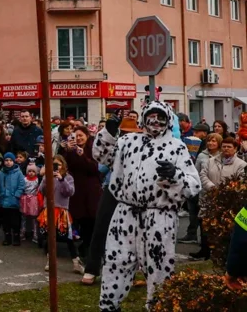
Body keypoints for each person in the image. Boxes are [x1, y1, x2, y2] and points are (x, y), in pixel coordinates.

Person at [92, 101, 201, 310]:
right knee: (116, 262)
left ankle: (159, 306)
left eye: (161, 117)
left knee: (159, 267)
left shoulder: (176, 147)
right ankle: (109, 305)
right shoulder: (127, 142)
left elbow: (193, 186)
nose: (156, 121)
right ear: (143, 119)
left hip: (159, 217)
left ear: (168, 120)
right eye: (151, 116)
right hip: (125, 214)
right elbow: (102, 157)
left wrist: (175, 176)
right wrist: (108, 133)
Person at [81, 115, 141, 286]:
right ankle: (91, 269)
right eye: (125, 133)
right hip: (113, 189)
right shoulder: (118, 145)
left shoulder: (145, 147)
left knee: (133, 235)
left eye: (133, 133)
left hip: (135, 193)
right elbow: (100, 158)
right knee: (101, 228)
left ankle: (132, 272)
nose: (129, 136)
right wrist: (108, 133)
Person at [191, 137, 247, 260]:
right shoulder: (211, 161)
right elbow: (203, 175)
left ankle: (222, 253)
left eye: (229, 147)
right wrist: (211, 187)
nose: (226, 149)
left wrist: (224, 192)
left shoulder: (241, 165)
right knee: (205, 225)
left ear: (235, 149)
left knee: (224, 228)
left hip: (228, 201)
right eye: (224, 146)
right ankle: (205, 251)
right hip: (209, 198)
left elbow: (240, 181)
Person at [63, 126, 102, 261]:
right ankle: (81, 247)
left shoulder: (93, 148)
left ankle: (90, 248)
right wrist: (67, 151)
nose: (78, 138)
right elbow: (65, 166)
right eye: (76, 136)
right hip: (77, 188)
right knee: (79, 218)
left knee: (91, 219)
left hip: (91, 189)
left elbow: (95, 168)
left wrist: (83, 156)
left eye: (81, 135)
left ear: (86, 136)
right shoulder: (71, 150)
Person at [37, 155, 80, 272]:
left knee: (68, 238)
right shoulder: (48, 177)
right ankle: (50, 260)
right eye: (54, 165)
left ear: (63, 166)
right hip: (49, 210)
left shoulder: (68, 177)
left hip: (61, 211)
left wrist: (61, 179)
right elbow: (42, 190)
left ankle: (76, 262)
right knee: (49, 237)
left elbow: (70, 192)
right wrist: (46, 177)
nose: (57, 167)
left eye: (59, 165)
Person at [0, 152, 25, 246]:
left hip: (14, 201)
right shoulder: (0, 173)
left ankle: (16, 237)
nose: (8, 162)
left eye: (10, 160)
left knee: (15, 220)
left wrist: (17, 195)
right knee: (5, 220)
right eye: (6, 160)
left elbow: (21, 185)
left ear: (14, 161)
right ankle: (7, 237)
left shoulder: (18, 173)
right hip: (3, 200)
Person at [20, 163, 41, 243]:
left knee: (34, 218)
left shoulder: (37, 180)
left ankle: (35, 234)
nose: (31, 173)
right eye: (29, 171)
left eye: (33, 171)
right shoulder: (24, 179)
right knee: (24, 217)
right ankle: (22, 232)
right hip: (25, 199)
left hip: (34, 200)